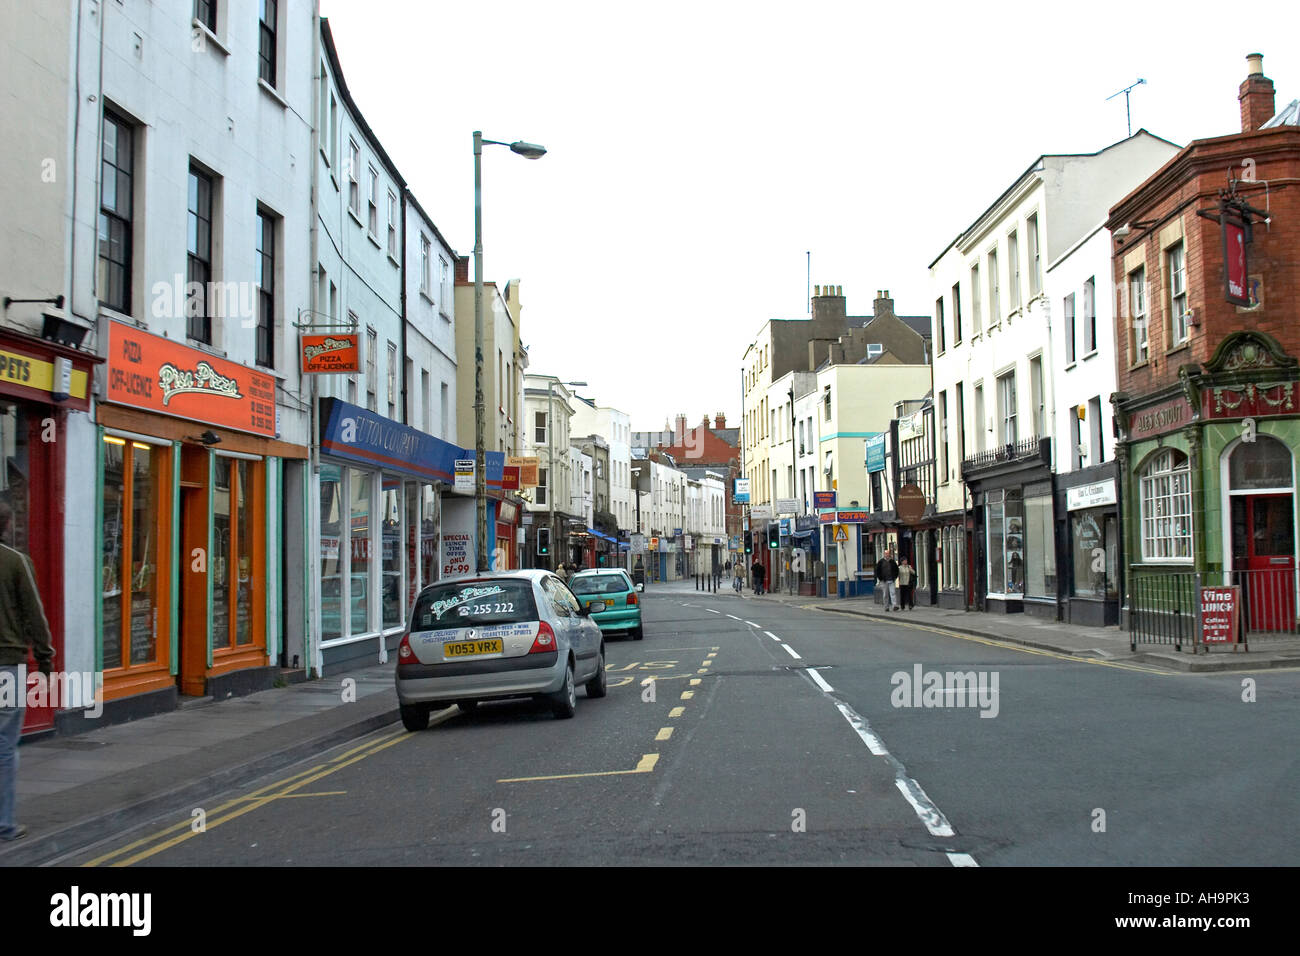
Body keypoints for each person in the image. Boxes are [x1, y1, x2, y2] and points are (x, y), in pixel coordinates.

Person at [0, 500, 55, 842]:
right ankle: (4, 822)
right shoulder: (15, 562)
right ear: (6, 525)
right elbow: (35, 615)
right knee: (4, 745)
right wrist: (46, 659)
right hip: (6, 665)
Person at [874, 547, 900, 612]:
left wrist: (895, 577)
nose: (887, 555)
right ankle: (886, 607)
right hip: (884, 580)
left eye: (888, 554)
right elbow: (877, 571)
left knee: (893, 593)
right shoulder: (881, 562)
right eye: (886, 554)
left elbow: (896, 570)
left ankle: (894, 606)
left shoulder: (892, 562)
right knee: (885, 594)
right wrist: (880, 578)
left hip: (891, 580)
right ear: (884, 554)